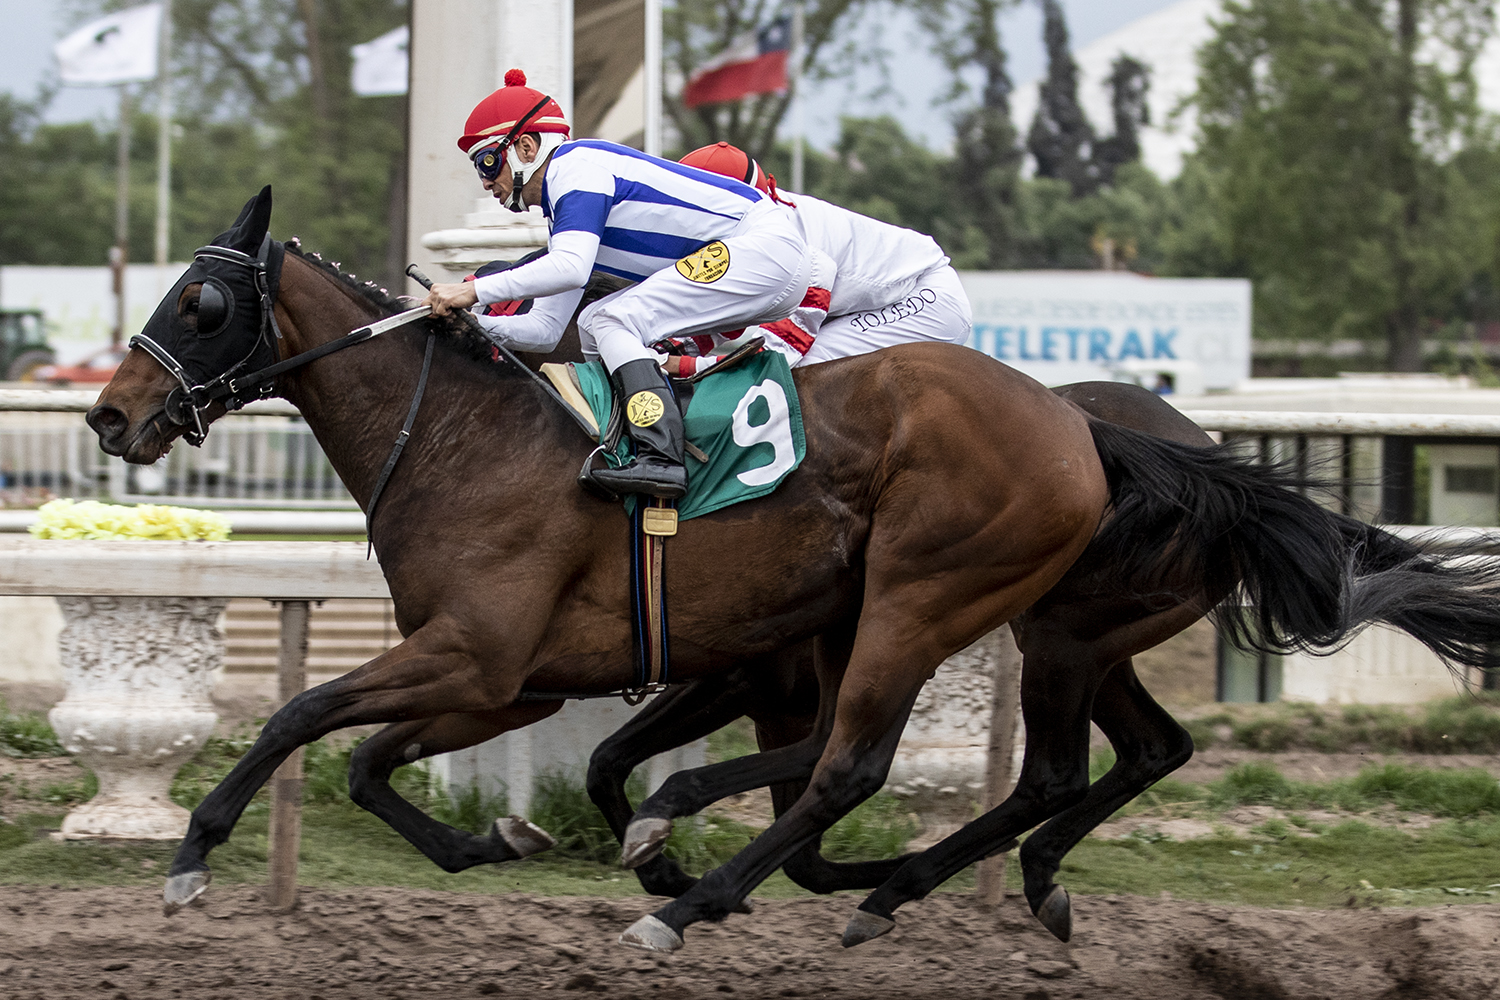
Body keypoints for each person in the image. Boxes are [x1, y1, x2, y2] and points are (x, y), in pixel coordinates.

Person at [421, 70, 824, 499]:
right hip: (764, 258)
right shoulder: (568, 212)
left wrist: (472, 291)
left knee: (613, 319)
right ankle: (644, 438)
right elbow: (544, 331)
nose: (486, 182)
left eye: (487, 162)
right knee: (594, 322)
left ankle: (662, 455)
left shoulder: (575, 168)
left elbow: (570, 268)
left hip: (765, 249)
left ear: (526, 147)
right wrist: (472, 323)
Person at [669, 142, 972, 377]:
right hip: (885, 296)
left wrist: (687, 366)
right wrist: (672, 347)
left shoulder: (779, 238)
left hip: (929, 299)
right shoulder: (755, 218)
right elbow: (736, 311)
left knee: (804, 372)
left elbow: (777, 357)